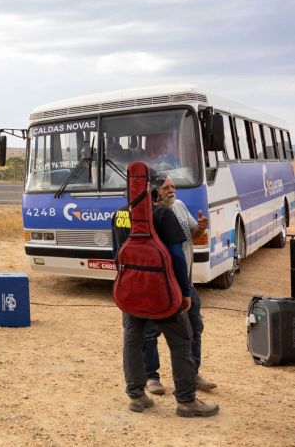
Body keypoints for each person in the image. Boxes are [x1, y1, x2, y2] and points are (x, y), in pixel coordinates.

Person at [112, 181, 219, 417]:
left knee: (132, 341)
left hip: (131, 294)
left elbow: (116, 255)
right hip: (162, 294)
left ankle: (137, 397)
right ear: (152, 191)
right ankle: (186, 401)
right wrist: (184, 291)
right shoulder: (162, 213)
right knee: (181, 341)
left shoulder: (119, 215)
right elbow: (177, 256)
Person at [144, 176, 215, 395]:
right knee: (150, 332)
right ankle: (151, 377)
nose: (171, 191)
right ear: (155, 192)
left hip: (185, 282)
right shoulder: (152, 215)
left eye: (173, 186)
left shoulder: (181, 206)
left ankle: (192, 373)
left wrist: (201, 228)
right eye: (166, 187)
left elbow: (189, 238)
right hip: (161, 285)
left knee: (195, 328)